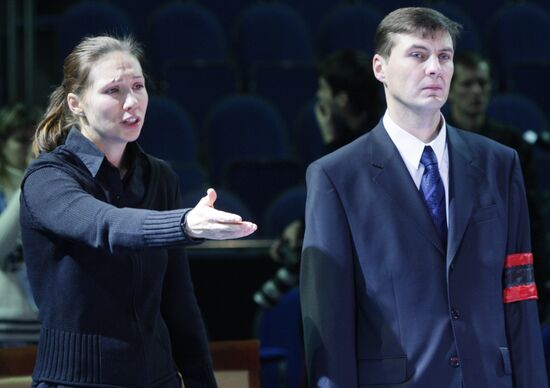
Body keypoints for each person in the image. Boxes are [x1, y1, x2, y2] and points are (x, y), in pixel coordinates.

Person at [300, 7, 547, 388]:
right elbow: (329, 319)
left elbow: (519, 293)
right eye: (418, 54)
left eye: (444, 56)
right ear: (380, 68)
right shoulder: (336, 177)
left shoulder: (500, 163)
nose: (435, 68)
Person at [20, 35, 256, 388]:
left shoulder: (159, 176)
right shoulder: (47, 177)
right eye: (113, 91)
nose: (132, 102)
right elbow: (105, 224)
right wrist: (185, 223)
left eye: (138, 86)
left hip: (157, 378)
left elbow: (179, 303)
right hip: (75, 381)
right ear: (76, 103)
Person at [253, 49, 382, 309]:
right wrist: (300, 226)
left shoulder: (374, 142)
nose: (319, 96)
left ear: (342, 100)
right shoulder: (350, 135)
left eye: (323, 89)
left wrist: (330, 140)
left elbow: (340, 201)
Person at [447, 50, 550, 320]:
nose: (476, 92)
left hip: (504, 259)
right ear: (450, 90)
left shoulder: (510, 144)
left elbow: (531, 215)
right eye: (467, 84)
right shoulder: (435, 144)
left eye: (482, 83)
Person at [0, 103, 42, 347]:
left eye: (33, 140)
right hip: (7, 325)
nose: (30, 149)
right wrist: (30, 176)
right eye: (21, 140)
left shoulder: (49, 187)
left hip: (44, 322)